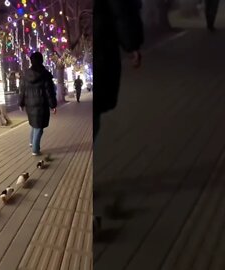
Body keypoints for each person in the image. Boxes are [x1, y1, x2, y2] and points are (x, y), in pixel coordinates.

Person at [93, 0, 144, 238]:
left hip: (78, 45)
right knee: (92, 123)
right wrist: (132, 44)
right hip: (100, 49)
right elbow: (121, 10)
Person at [19, 52, 57, 156]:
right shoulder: (45, 74)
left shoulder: (26, 74)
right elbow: (50, 92)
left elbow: (22, 90)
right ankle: (35, 150)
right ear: (41, 60)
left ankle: (31, 142)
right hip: (41, 104)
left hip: (29, 104)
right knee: (39, 127)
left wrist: (21, 103)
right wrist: (53, 105)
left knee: (34, 123)